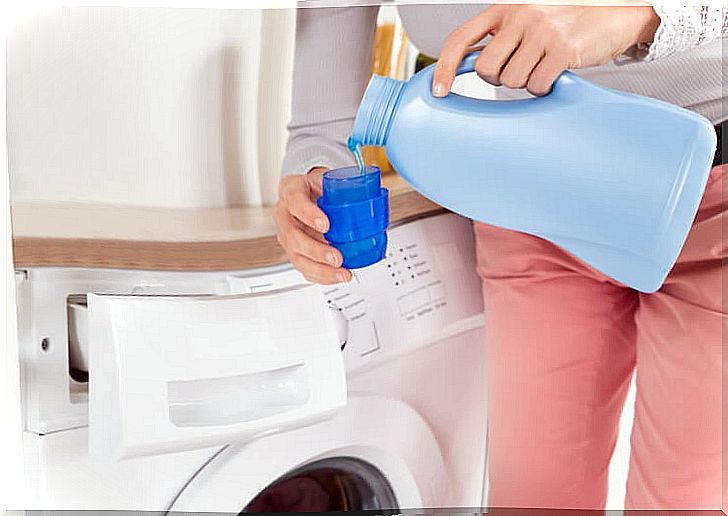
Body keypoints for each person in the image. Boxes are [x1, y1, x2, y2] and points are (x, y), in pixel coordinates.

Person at [273, 2, 727, 511]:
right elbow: (329, 125)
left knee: (687, 501)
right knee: (533, 498)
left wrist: (634, 18)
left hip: (712, 199)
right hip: (527, 194)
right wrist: (313, 177)